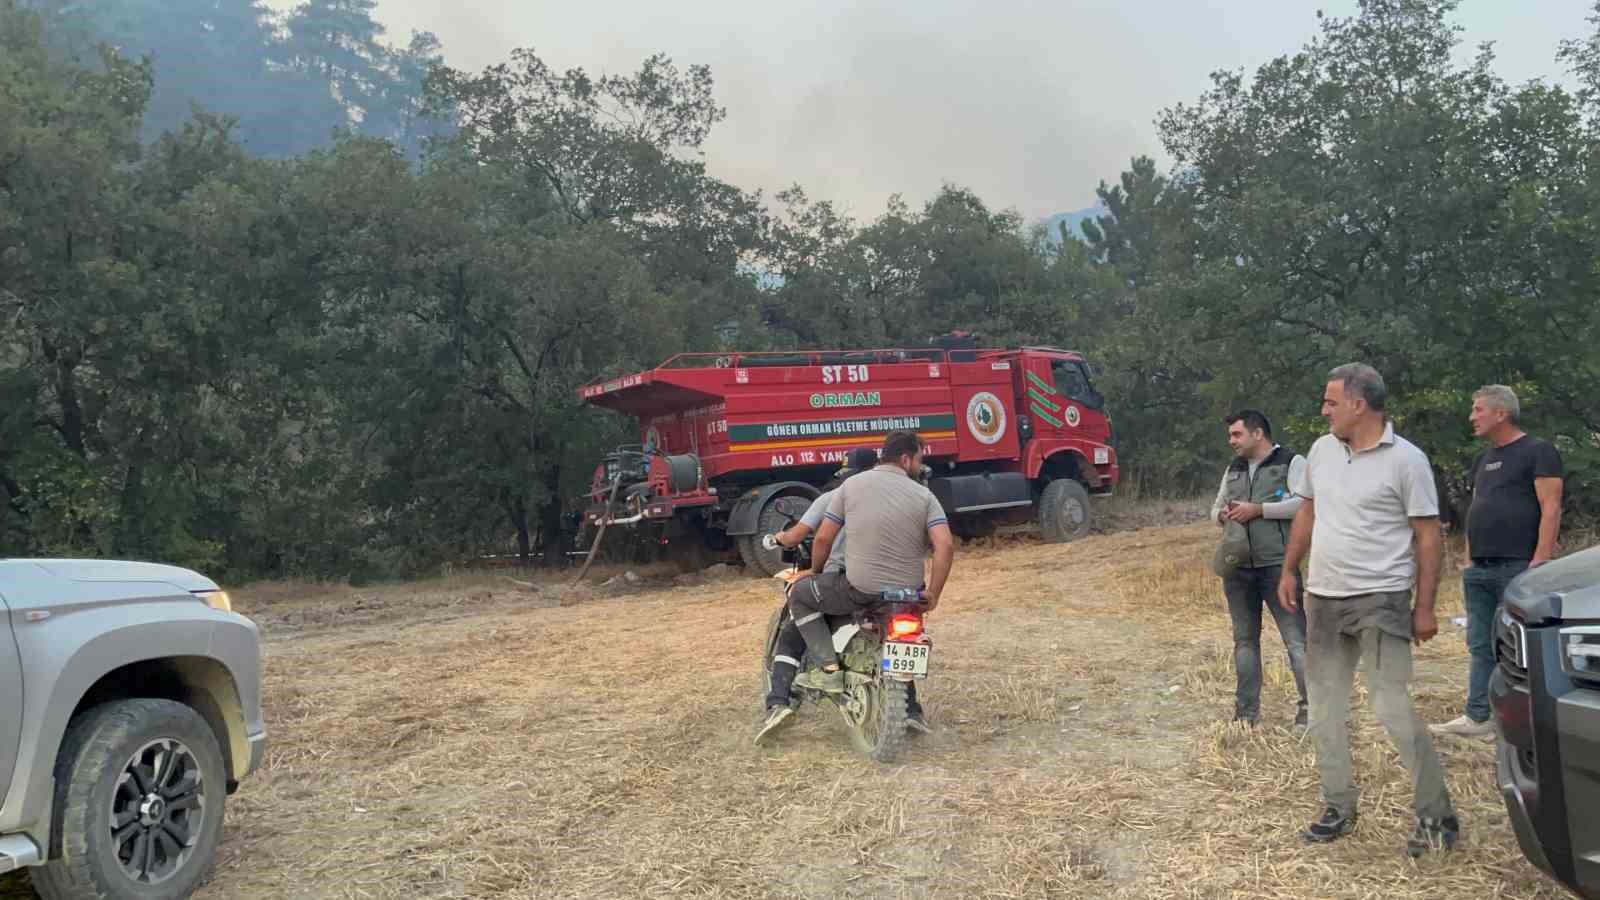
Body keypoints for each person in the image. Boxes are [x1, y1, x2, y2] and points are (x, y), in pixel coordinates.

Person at [1277, 363, 1458, 857]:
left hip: (1382, 599)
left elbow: (1427, 534)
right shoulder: (1320, 450)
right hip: (1324, 598)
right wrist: (1290, 569)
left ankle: (1437, 817)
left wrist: (1425, 606)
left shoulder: (1407, 460)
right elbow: (1309, 511)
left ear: (1359, 404)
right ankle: (1338, 806)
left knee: (1393, 708)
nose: (1324, 410)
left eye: (1331, 401)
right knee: (1325, 710)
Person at [758, 448, 922, 744]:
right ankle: (912, 711)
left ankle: (787, 696)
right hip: (899, 586)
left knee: (798, 611)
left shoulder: (837, 495)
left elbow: (809, 537)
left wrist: (783, 543)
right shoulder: (902, 497)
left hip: (849, 583)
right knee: (896, 640)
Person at [1432, 385, 1564, 739]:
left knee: (1519, 646)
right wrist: (1470, 558)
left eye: (1478, 410)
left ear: (1501, 413)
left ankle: (1527, 724)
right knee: (1480, 643)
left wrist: (1541, 560)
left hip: (1519, 566)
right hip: (1480, 569)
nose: (1472, 417)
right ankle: (1478, 717)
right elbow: (1479, 508)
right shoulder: (1482, 459)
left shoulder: (1539, 451)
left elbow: (1551, 507)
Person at [787, 431, 955, 697]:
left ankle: (829, 670)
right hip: (909, 593)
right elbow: (944, 545)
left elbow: (822, 538)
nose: (920, 466)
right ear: (905, 459)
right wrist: (933, 593)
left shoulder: (850, 487)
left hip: (860, 589)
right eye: (919, 459)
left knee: (799, 594)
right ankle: (910, 709)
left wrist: (815, 572)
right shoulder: (925, 496)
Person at [1208, 410, 1310, 728]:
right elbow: (1213, 510)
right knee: (1245, 642)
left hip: (1279, 567)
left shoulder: (1292, 462)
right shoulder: (1234, 468)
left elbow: (1305, 504)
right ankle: (1246, 715)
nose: (1231, 441)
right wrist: (1224, 515)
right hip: (1238, 569)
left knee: (1297, 642)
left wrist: (1260, 510)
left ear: (1258, 434)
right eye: (1230, 436)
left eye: (1236, 435)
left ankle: (1311, 711)